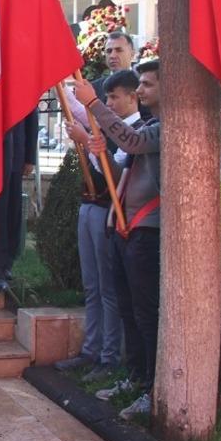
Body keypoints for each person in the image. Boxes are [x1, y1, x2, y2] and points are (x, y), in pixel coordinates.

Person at [74, 59, 161, 421]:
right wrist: (95, 150)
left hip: (148, 228)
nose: (140, 91)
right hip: (125, 228)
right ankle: (136, 375)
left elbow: (134, 142)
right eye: (139, 84)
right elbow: (118, 168)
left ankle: (153, 387)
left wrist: (92, 105)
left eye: (147, 85)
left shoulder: (160, 128)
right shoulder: (150, 125)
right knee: (128, 309)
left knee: (145, 313)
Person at [55, 69, 141, 380]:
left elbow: (115, 174)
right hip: (90, 205)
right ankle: (90, 350)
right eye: (106, 98)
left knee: (108, 289)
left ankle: (108, 357)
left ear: (133, 98)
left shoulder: (137, 131)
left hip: (110, 212)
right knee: (92, 286)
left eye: (115, 97)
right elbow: (80, 111)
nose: (109, 103)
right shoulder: (106, 124)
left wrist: (88, 143)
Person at [0, 109, 39, 291]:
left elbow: (30, 115)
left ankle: (4, 264)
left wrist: (29, 157)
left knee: (9, 212)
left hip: (14, 154)